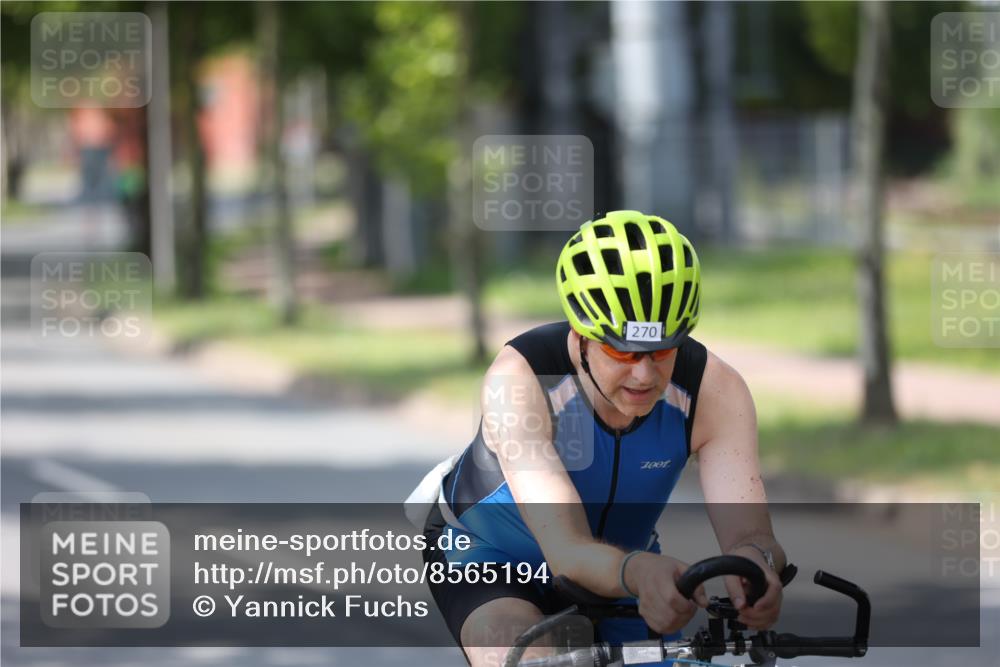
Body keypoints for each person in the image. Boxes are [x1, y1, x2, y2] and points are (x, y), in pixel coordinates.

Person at [412, 211, 789, 667]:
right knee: (519, 652)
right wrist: (640, 571)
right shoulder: (521, 380)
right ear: (582, 335)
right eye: (622, 350)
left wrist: (756, 563)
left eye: (663, 350)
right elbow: (567, 550)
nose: (644, 373)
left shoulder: (715, 391)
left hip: (624, 566)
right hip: (492, 559)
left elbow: (750, 532)